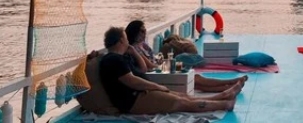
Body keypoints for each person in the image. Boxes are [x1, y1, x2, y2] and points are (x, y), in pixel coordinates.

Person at [99, 26, 239, 114]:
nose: (128, 42)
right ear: (120, 42)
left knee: (182, 96)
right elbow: (132, 81)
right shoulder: (113, 60)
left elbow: (140, 71)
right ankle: (225, 104)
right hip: (135, 99)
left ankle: (222, 96)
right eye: (125, 39)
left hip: (143, 93)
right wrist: (156, 86)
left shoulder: (120, 57)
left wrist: (133, 52)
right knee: (182, 103)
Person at [124, 20, 247, 93]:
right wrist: (166, 65)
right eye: (141, 31)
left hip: (160, 68)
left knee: (194, 79)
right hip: (155, 73)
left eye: (145, 30)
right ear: (134, 32)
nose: (144, 33)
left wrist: (162, 61)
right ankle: (230, 83)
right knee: (194, 80)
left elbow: (154, 59)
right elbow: (149, 66)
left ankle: (228, 86)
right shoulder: (134, 49)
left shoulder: (143, 45)